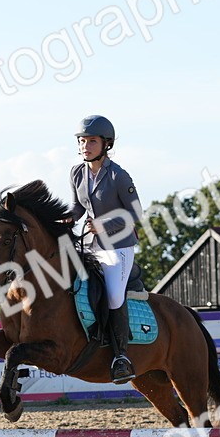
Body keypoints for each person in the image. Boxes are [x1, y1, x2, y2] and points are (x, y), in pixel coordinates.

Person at [67, 114, 143, 384]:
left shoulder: (118, 175)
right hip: (90, 244)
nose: (85, 146)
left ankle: (121, 356)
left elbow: (137, 213)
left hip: (118, 247)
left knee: (112, 296)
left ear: (105, 144)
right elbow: (77, 207)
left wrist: (104, 225)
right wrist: (66, 218)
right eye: (82, 141)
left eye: (91, 141)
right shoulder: (77, 172)